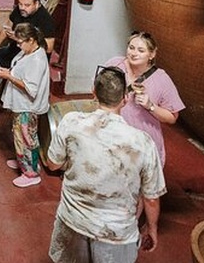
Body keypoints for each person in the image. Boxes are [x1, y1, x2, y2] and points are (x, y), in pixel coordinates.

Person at [45, 66, 166, 263]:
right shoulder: (142, 142)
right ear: (125, 99)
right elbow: (151, 198)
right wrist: (151, 228)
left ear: (94, 93)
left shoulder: (71, 122)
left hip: (74, 220)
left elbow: (52, 164)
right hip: (115, 232)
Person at [103, 30, 185, 165]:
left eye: (141, 50)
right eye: (131, 48)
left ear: (152, 54)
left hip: (142, 143)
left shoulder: (161, 79)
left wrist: (150, 106)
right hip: (112, 135)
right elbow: (97, 89)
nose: (134, 53)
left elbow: (172, 117)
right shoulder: (115, 65)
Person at [0, 23, 51, 188]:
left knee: (26, 139)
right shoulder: (29, 52)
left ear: (31, 40)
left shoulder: (37, 60)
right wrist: (9, 72)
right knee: (20, 136)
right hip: (21, 104)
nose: (18, 45)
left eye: (20, 42)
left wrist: (8, 76)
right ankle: (23, 162)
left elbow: (31, 88)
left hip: (28, 106)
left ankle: (31, 173)